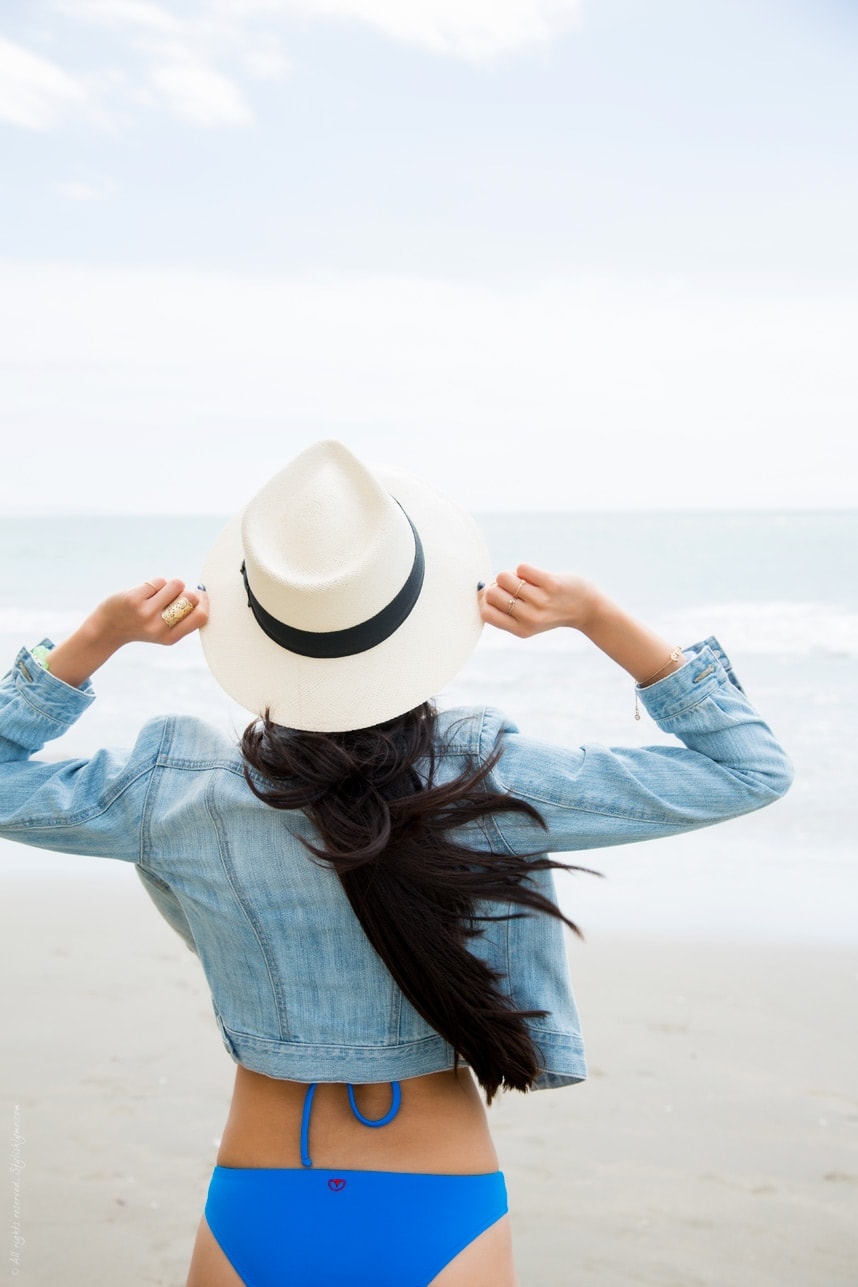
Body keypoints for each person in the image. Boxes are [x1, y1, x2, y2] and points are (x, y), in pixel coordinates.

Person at [0, 439, 792, 1286]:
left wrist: (96, 639)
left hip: (258, 1199)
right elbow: (748, 770)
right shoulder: (490, 778)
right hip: (440, 1200)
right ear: (419, 620)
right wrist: (598, 616)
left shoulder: (177, 790)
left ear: (257, 621)